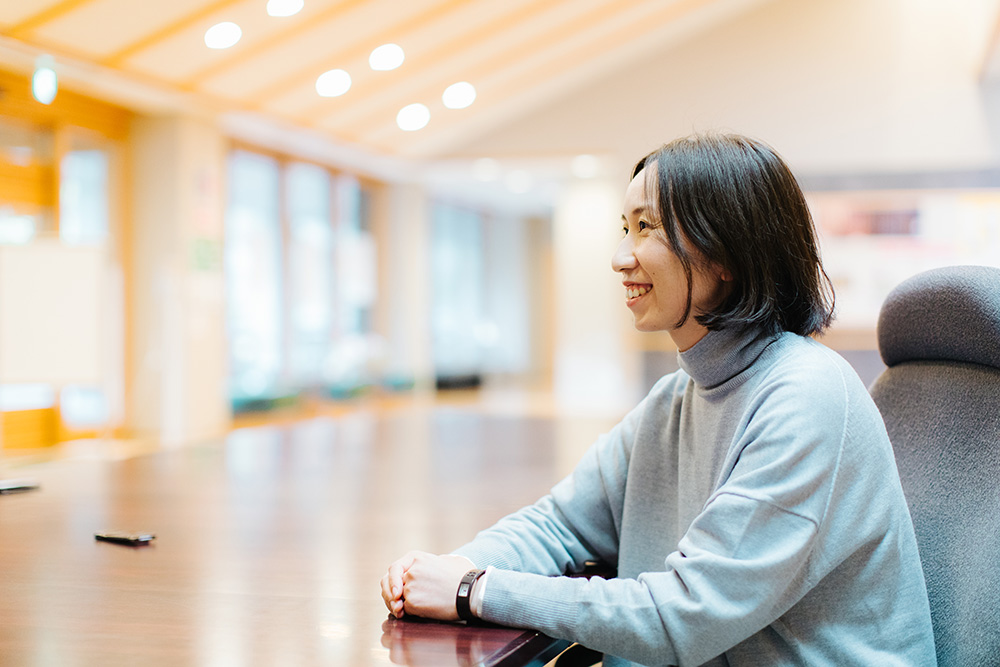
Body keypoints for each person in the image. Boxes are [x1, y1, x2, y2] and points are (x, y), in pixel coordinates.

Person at [380, 133, 936, 666]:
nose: (621, 257)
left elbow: (684, 615)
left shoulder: (806, 395)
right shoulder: (675, 397)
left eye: (646, 227)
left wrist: (473, 590)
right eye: (625, 227)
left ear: (728, 254)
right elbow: (560, 524)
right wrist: (455, 565)